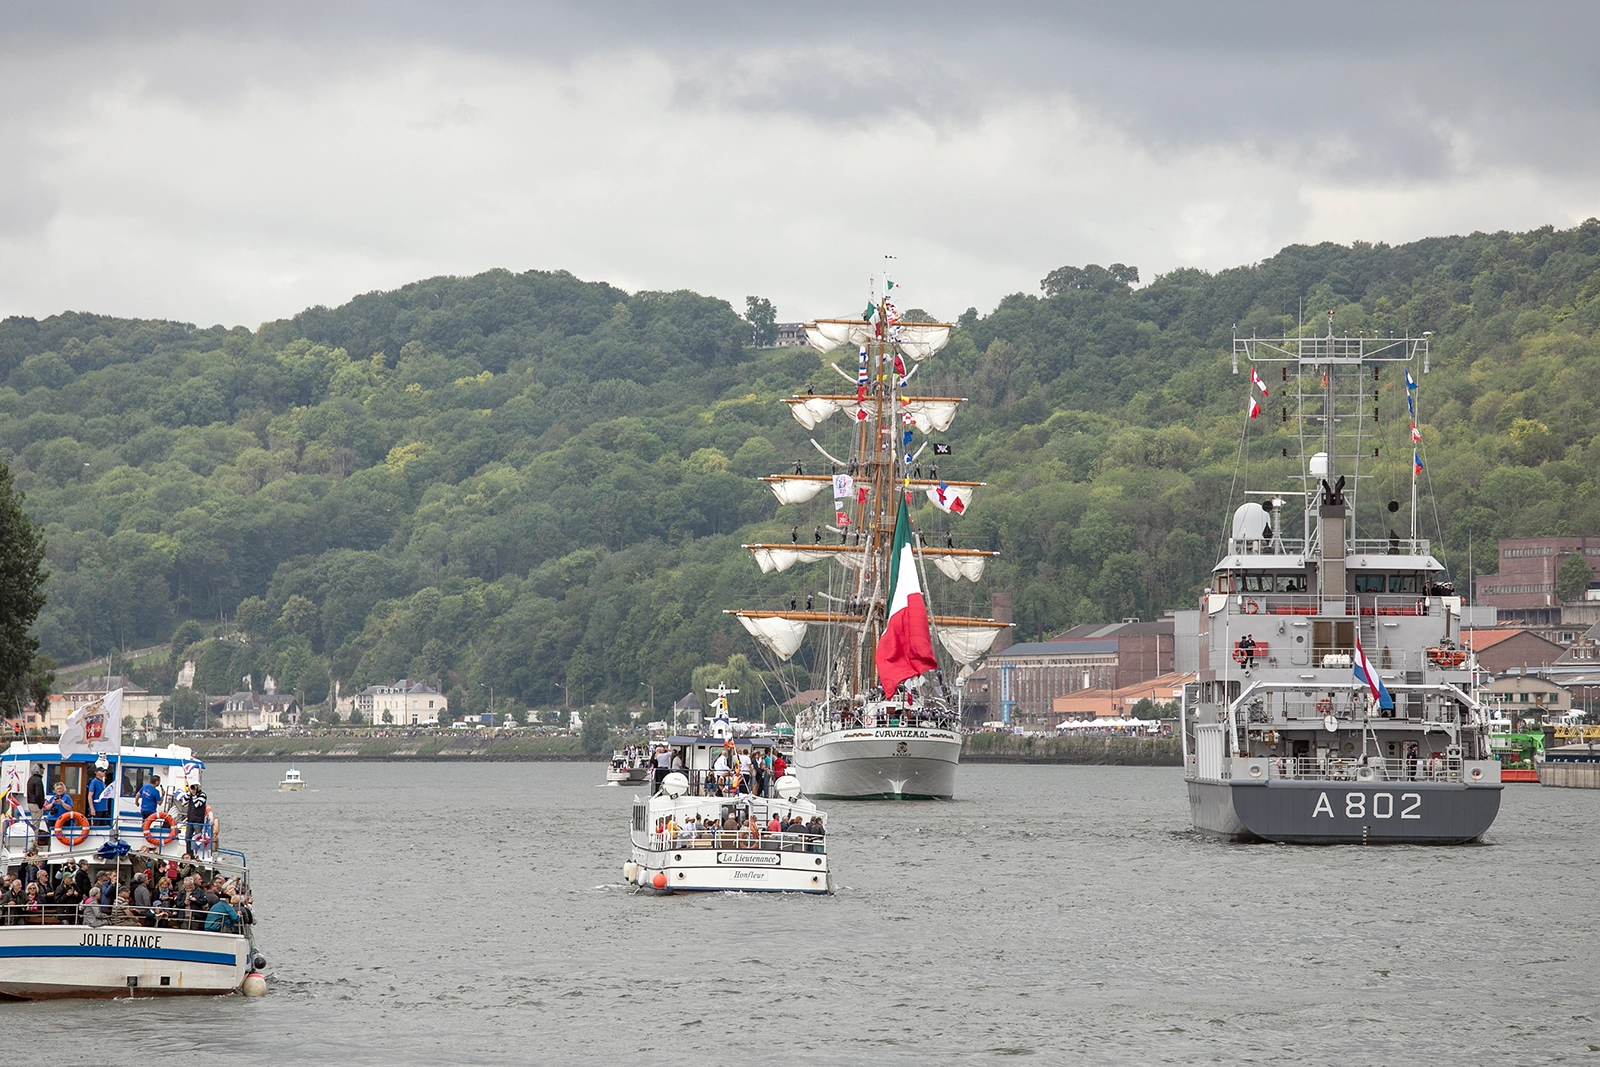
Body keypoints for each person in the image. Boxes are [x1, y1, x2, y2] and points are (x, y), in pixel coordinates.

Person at [183, 783, 209, 853]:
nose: (194, 789)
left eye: (195, 787)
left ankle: (197, 854)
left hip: (198, 821)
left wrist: (194, 795)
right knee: (187, 838)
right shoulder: (191, 795)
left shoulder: (203, 795)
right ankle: (189, 853)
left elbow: (197, 804)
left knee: (198, 839)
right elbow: (184, 802)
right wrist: (189, 793)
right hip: (190, 820)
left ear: (199, 787)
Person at [26, 766, 45, 848]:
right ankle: (34, 845)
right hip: (36, 804)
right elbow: (38, 794)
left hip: (30, 803)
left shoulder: (30, 779)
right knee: (36, 826)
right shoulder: (38, 780)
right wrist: (41, 805)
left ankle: (33, 844)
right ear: (39, 769)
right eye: (42, 768)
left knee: (34, 824)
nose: (44, 770)